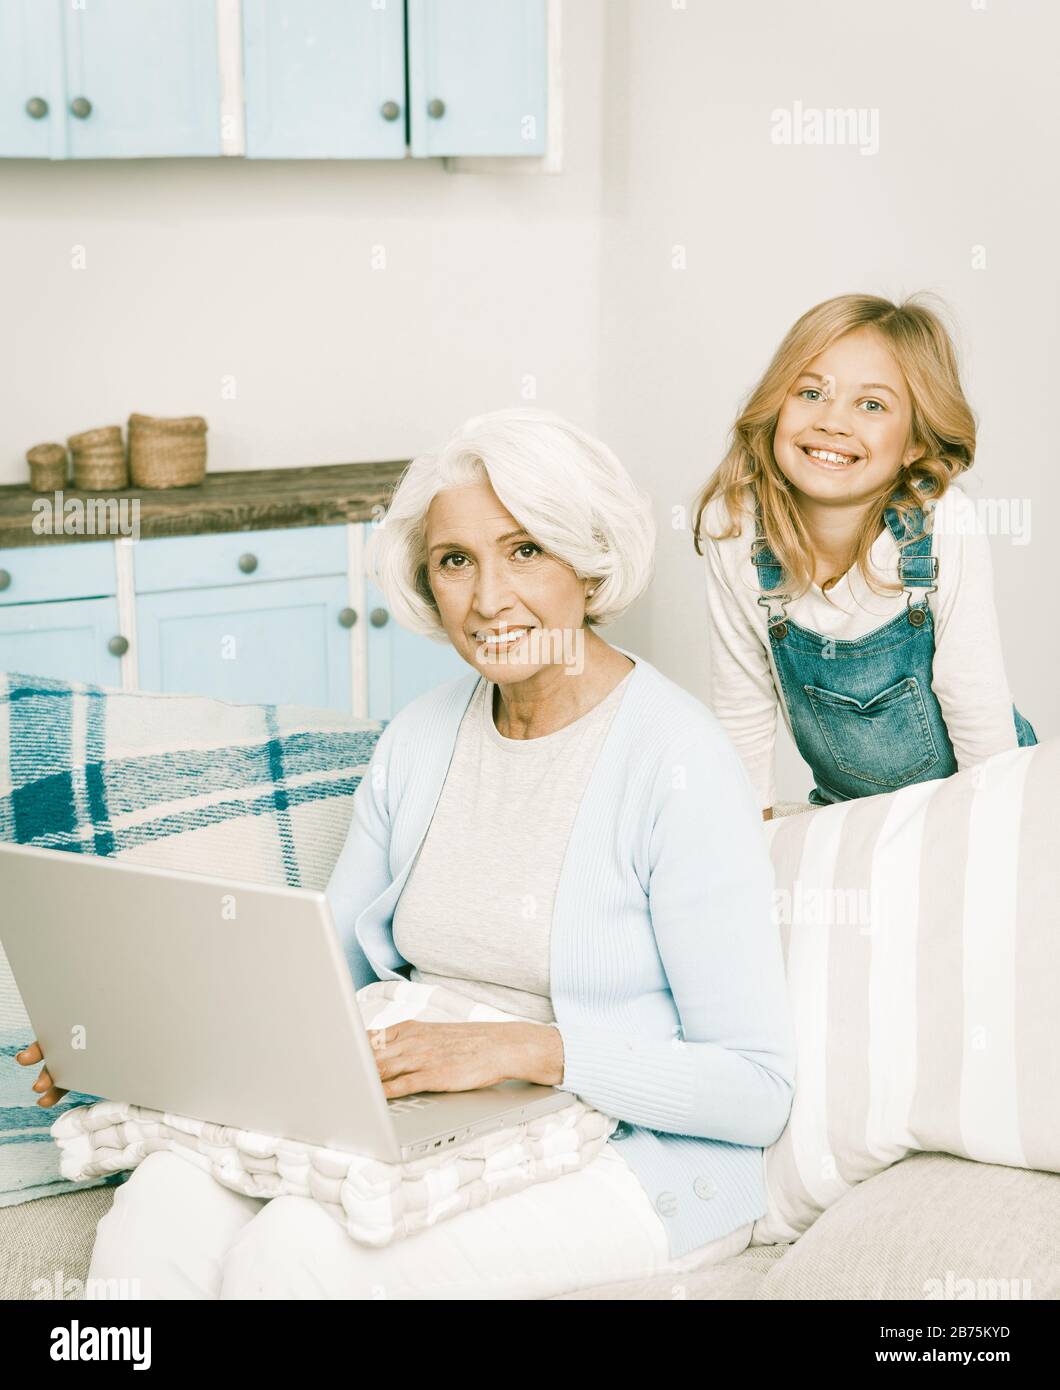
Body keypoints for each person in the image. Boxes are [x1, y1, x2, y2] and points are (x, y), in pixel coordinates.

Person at [20, 408, 795, 1299]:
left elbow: (756, 1088)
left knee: (299, 1255)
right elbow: (322, 983)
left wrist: (527, 1050)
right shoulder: (422, 738)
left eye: (527, 550)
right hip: (426, 1117)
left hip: (628, 1157)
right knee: (161, 1207)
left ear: (590, 560)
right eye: (456, 560)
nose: (490, 597)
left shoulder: (678, 760)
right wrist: (124, 1036)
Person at [693, 292, 1036, 814]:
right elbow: (743, 711)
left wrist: (987, 841)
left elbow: (975, 704)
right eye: (811, 393)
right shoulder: (736, 528)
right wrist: (748, 850)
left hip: (979, 790)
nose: (833, 421)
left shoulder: (941, 523)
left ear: (916, 442)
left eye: (871, 404)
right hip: (848, 809)